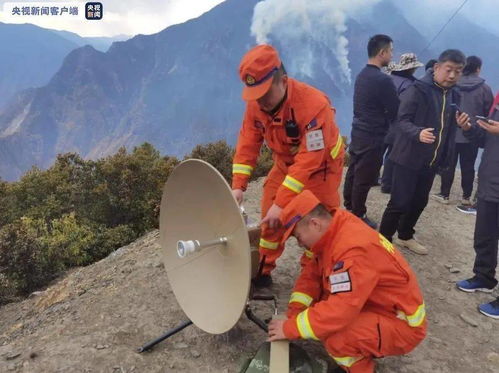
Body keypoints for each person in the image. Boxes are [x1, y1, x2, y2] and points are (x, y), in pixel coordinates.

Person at [267, 190, 426, 373]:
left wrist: (290, 329)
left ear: (314, 224)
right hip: (377, 305)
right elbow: (311, 275)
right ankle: (361, 344)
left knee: (336, 338)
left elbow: (339, 311)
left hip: (402, 324)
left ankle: (359, 367)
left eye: (298, 236)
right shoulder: (334, 228)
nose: (300, 243)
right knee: (322, 315)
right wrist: (294, 314)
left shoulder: (352, 250)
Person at [232, 44, 344, 287]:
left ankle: (315, 278)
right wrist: (238, 186)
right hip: (284, 165)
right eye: (255, 95)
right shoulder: (256, 104)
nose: (259, 102)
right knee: (269, 222)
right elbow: (248, 141)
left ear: (283, 80)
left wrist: (281, 204)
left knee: (320, 225)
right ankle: (262, 270)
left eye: (264, 94)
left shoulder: (314, 106)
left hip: (321, 170)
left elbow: (308, 161)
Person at [378, 49, 469, 255]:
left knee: (420, 200)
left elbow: (449, 127)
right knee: (400, 201)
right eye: (449, 70)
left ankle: (405, 236)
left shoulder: (455, 94)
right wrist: (417, 133)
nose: (453, 75)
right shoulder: (418, 89)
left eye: (458, 71)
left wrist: (463, 126)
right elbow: (401, 120)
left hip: (432, 159)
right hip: (407, 156)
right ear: (437, 68)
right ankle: (382, 241)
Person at [343, 34, 398, 229]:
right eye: (390, 51)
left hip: (358, 129)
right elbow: (394, 110)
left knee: (354, 168)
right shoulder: (383, 80)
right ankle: (358, 214)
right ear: (382, 52)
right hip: (374, 134)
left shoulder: (362, 75)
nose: (392, 55)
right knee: (365, 176)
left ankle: (348, 204)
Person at [455, 101, 499, 319]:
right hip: (490, 182)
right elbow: (486, 139)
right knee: (484, 236)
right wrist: (469, 128)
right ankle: (484, 277)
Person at [432, 56, 494, 206]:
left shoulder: (454, 83)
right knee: (468, 165)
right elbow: (489, 112)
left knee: (449, 163)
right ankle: (466, 196)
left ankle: (444, 194)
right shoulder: (484, 89)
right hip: (472, 132)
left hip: (451, 131)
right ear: (478, 69)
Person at [381, 53, 424, 194]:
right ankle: (387, 184)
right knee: (392, 153)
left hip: (382, 120)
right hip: (397, 121)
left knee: (378, 150)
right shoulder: (410, 85)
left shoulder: (389, 78)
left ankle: (371, 177)